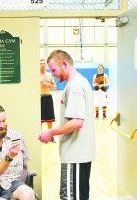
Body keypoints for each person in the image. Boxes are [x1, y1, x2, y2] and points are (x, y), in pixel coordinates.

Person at [38, 50, 95, 200]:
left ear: (64, 64)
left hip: (75, 155)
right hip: (77, 155)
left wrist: (51, 133)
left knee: (69, 197)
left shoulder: (75, 86)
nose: (54, 74)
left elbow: (77, 122)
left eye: (54, 70)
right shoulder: (77, 83)